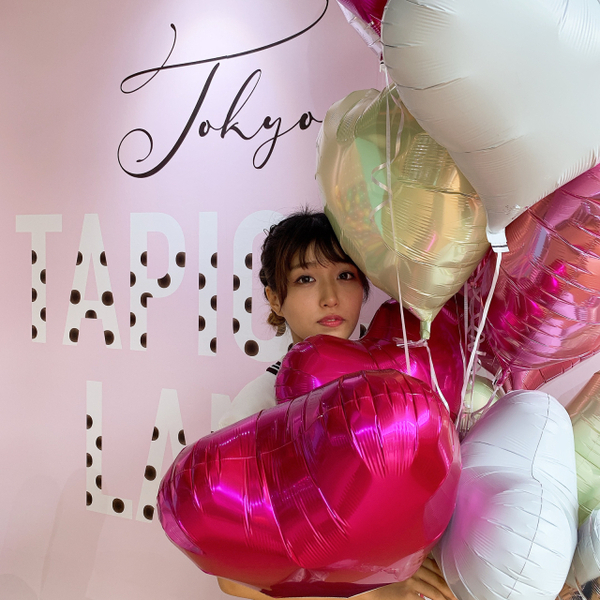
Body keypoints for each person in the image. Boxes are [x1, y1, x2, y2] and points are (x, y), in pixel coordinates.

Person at [217, 209, 457, 600]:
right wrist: (372, 593)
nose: (330, 297)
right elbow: (234, 578)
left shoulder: (401, 378)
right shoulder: (258, 409)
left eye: (345, 275)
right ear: (275, 299)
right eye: (305, 278)